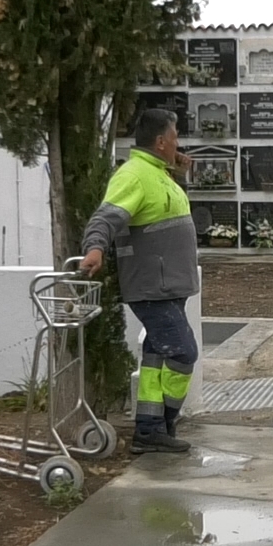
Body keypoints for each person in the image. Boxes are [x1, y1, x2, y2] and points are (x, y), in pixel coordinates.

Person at [78, 108, 197, 454]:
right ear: (160, 142)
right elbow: (105, 218)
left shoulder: (159, 173)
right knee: (183, 352)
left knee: (157, 357)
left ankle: (149, 430)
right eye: (175, 138)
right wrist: (95, 248)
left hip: (169, 285)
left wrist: (180, 173)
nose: (178, 144)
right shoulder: (133, 175)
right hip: (152, 287)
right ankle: (166, 422)